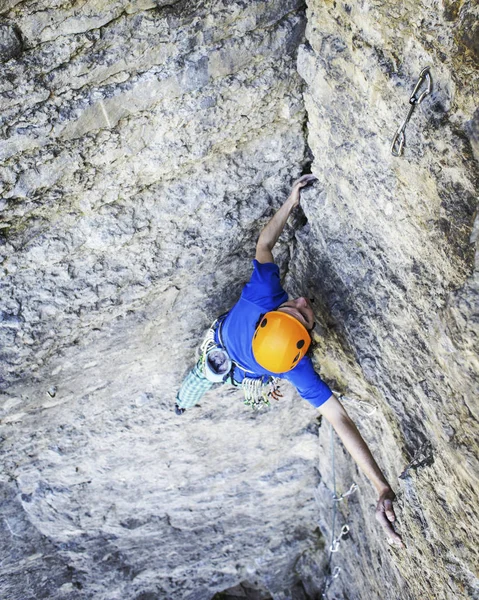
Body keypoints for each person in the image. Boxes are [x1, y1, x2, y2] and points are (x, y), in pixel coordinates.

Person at [176, 175, 404, 548]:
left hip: (230, 354)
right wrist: (380, 484)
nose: (301, 302)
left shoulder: (267, 301)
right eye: (300, 311)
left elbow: (265, 243)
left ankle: (187, 401)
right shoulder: (291, 358)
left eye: (297, 310)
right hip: (240, 365)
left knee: (209, 375)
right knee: (206, 377)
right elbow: (339, 418)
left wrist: (290, 203)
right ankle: (184, 402)